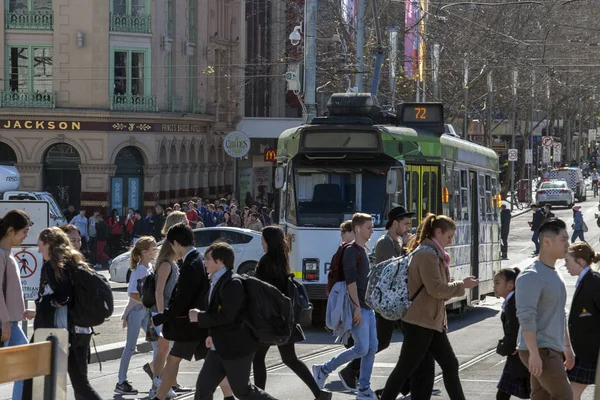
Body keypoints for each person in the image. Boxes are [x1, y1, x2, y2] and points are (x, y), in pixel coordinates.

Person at [380, 214, 478, 400]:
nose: (450, 241)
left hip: (430, 321)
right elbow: (436, 289)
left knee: (431, 369)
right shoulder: (427, 254)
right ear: (438, 232)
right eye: (448, 236)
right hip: (420, 322)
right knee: (408, 369)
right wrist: (462, 285)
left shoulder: (433, 253)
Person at [339, 206, 435, 399]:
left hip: (395, 303)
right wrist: (409, 249)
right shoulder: (385, 243)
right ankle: (351, 371)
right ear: (395, 223)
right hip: (385, 302)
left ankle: (405, 384)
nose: (408, 228)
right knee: (382, 342)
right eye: (406, 224)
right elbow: (395, 270)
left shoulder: (396, 242)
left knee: (401, 343)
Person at [151, 223, 233, 400]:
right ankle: (229, 397)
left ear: (176, 243)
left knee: (173, 360)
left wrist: (162, 317)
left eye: (172, 245)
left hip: (189, 326)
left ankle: (159, 397)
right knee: (213, 363)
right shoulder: (200, 258)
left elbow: (182, 299)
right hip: (201, 323)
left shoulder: (190, 264)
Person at [189, 242, 277, 400]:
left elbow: (227, 316)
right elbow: (216, 312)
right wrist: (211, 334)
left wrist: (199, 317)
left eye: (207, 259)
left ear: (219, 261)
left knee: (243, 391)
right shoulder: (216, 281)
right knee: (203, 389)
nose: (204, 262)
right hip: (219, 346)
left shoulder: (232, 283)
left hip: (236, 348)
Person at [252, 226, 332, 400]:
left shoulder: (265, 262)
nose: (261, 242)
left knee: (258, 358)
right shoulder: (282, 259)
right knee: (290, 358)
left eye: (263, 239)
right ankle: (319, 393)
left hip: (269, 319)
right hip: (284, 318)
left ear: (268, 241)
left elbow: (261, 291)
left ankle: (259, 397)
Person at [24, 227, 102, 400]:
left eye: (40, 246)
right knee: (80, 384)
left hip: (60, 331)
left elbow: (64, 296)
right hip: (81, 330)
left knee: (33, 380)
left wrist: (47, 304)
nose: (38, 250)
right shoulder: (75, 262)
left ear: (49, 244)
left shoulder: (53, 265)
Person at [312, 213, 379, 400]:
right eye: (369, 227)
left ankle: (364, 388)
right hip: (357, 307)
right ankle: (323, 369)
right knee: (362, 348)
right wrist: (357, 307)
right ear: (358, 229)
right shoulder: (351, 251)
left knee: (372, 347)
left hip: (368, 306)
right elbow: (350, 282)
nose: (372, 230)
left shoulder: (363, 250)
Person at [516, 218, 574, 400]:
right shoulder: (531, 275)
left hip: (548, 349)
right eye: (564, 240)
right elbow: (526, 316)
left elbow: (559, 314)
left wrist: (566, 347)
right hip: (541, 349)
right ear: (547, 241)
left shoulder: (554, 273)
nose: (568, 244)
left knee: (541, 397)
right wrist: (533, 354)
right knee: (564, 396)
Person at [115, 236, 159, 395]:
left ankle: (157, 377)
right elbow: (132, 292)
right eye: (153, 248)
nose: (155, 251)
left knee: (157, 344)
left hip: (145, 311)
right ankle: (121, 381)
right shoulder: (139, 270)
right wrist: (148, 301)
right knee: (130, 347)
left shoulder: (148, 267)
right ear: (144, 251)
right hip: (136, 311)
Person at [0, 210, 32, 400]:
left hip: (11, 323)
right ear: (11, 231)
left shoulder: (8, 254)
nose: (26, 235)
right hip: (5, 323)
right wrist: (4, 321)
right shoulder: (1, 255)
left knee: (27, 364)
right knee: (26, 364)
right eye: (24, 232)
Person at [564, 242, 600, 400]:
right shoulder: (587, 280)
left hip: (594, 352)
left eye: (567, 261)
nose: (565, 265)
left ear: (580, 261)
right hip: (587, 353)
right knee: (571, 394)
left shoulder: (593, 282)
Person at [493, 267, 531, 400]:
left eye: (497, 283)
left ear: (510, 285)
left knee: (537, 391)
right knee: (503, 393)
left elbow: (514, 332)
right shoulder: (511, 301)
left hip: (522, 355)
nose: (494, 286)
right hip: (517, 355)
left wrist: (503, 348)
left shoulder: (513, 303)